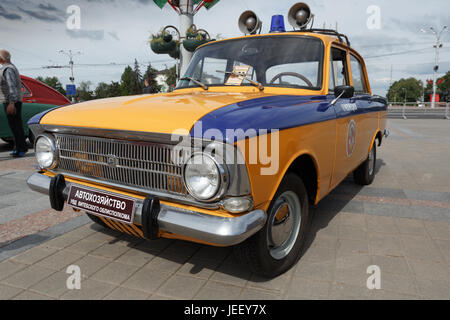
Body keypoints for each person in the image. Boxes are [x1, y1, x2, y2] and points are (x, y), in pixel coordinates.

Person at [0, 49, 27, 157]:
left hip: (11, 101)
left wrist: (11, 103)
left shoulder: (8, 69)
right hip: (12, 100)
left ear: (1, 58)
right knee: (15, 126)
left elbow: (11, 87)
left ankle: (21, 148)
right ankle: (19, 147)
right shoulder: (9, 68)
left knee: (15, 126)